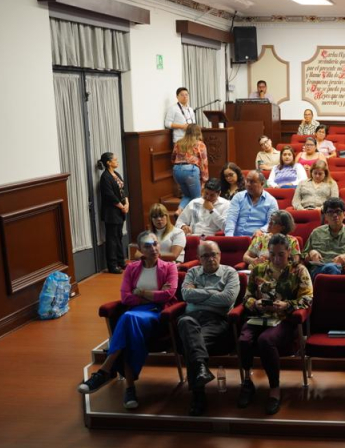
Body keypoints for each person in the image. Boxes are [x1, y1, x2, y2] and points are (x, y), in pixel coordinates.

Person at [77, 231, 177, 409]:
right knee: (129, 325)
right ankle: (129, 389)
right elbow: (125, 298)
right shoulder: (132, 268)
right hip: (136, 313)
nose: (153, 248)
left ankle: (104, 371)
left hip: (157, 314)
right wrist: (153, 295)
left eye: (155, 244)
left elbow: (168, 295)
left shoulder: (169, 267)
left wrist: (141, 292)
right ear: (140, 250)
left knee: (127, 318)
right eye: (147, 246)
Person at [237, 234, 313, 415]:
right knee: (244, 340)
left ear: (288, 253)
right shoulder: (259, 269)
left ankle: (274, 389)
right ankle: (247, 382)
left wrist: (287, 305)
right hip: (260, 317)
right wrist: (254, 303)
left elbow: (307, 299)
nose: (276, 259)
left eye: (281, 254)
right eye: (272, 254)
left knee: (265, 340)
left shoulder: (298, 271)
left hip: (284, 319)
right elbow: (247, 297)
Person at [176, 240, 240, 416]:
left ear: (220, 255)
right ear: (198, 258)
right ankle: (201, 371)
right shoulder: (192, 272)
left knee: (193, 343)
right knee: (185, 323)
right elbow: (186, 294)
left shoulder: (230, 273)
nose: (211, 259)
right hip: (191, 318)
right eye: (205, 256)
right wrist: (214, 293)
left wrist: (198, 293)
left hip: (216, 320)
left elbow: (227, 299)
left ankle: (198, 397)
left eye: (214, 254)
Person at [304, 197, 345, 278]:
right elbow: (303, 258)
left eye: (338, 212)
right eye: (330, 212)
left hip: (340, 273)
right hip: (318, 271)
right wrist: (311, 254)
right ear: (325, 216)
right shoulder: (316, 233)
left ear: (344, 214)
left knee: (332, 268)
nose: (335, 215)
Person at [97, 152, 128, 274]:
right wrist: (121, 206)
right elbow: (109, 195)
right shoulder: (105, 177)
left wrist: (127, 204)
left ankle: (121, 261)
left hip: (120, 211)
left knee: (119, 236)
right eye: (115, 160)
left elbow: (123, 190)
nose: (117, 161)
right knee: (112, 239)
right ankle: (112, 265)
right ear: (108, 163)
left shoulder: (116, 174)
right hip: (111, 213)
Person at [225, 170, 279, 236]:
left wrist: (261, 230)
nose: (248, 184)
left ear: (262, 183)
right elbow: (231, 219)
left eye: (252, 182)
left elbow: (271, 223)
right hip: (238, 238)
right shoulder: (238, 197)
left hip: (258, 238)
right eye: (247, 181)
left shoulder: (271, 201)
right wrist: (229, 237)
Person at [171, 123, 208, 211]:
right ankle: (195, 217)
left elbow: (173, 157)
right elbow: (204, 162)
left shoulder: (178, 143)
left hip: (177, 170)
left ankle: (179, 211)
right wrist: (205, 179)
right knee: (197, 198)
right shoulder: (200, 144)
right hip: (191, 171)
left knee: (187, 195)